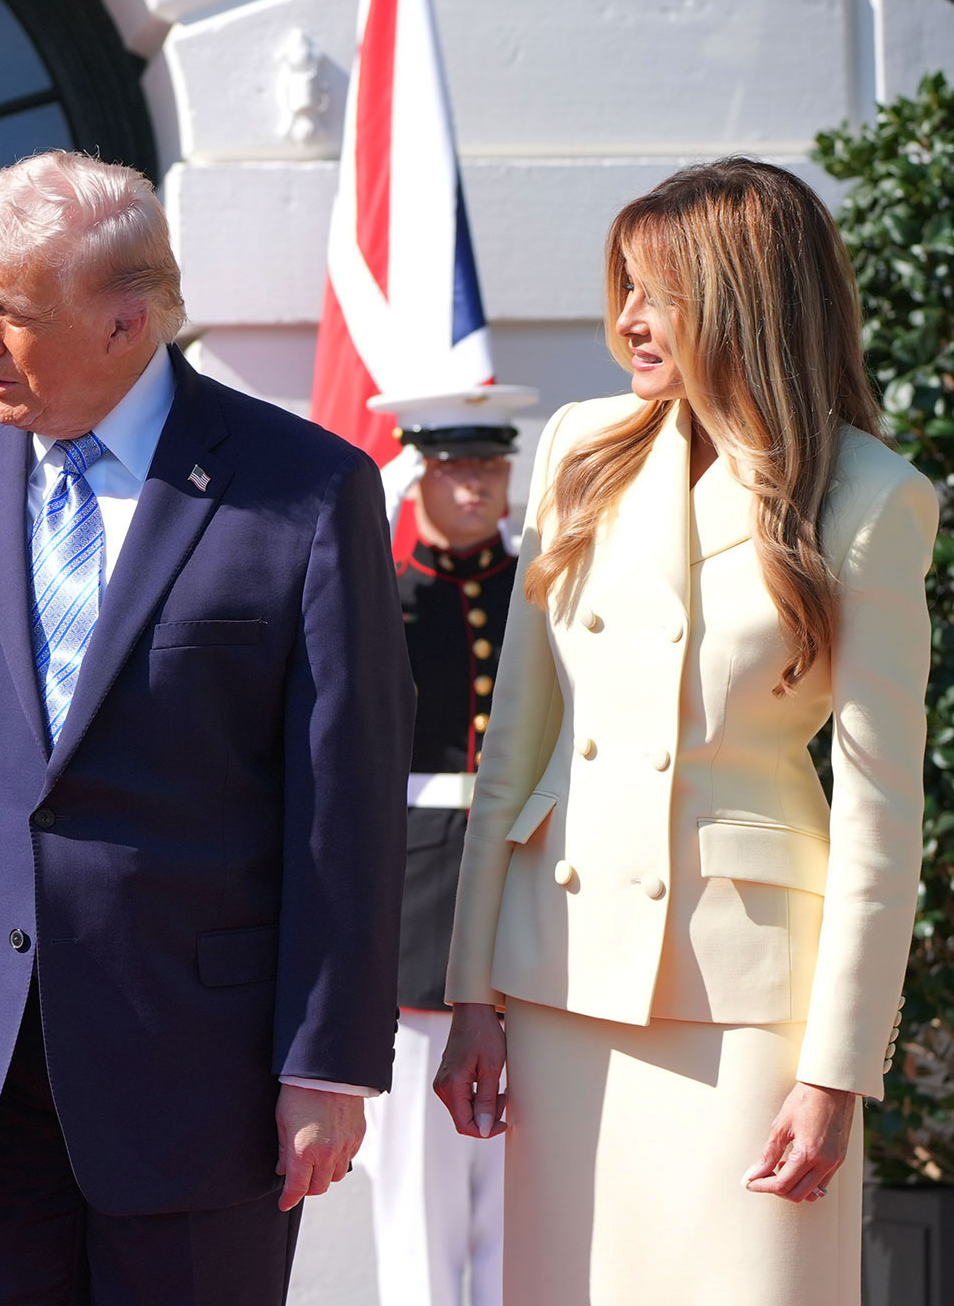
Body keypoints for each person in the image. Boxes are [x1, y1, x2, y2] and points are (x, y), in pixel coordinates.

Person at [0, 151, 414, 1306]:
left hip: (202, 1070)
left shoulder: (306, 486)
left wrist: (327, 1059)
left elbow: (347, 795)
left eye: (10, 315)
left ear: (128, 321)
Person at [434, 159, 939, 1305]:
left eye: (657, 293)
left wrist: (838, 1072)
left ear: (745, 300)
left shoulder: (868, 496)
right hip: (562, 979)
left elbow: (880, 815)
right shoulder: (580, 447)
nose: (626, 318)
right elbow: (515, 746)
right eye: (624, 286)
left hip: (754, 1009)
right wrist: (473, 992)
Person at [355, 385, 537, 1306]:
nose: (475, 483)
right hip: (420, 905)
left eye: (489, 464)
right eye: (453, 465)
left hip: (534, 897)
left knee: (527, 1193)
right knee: (419, 1191)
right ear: (418, 473)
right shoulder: (383, 601)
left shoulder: (543, 594)